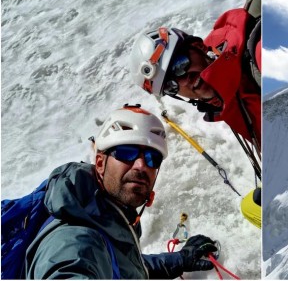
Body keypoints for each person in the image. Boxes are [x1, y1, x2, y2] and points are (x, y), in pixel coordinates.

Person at [25, 104, 218, 279]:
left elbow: (125, 268)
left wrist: (180, 260)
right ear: (100, 163)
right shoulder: (75, 242)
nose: (141, 165)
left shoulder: (105, 215)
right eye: (126, 153)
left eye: (152, 158)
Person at [130, 0, 262, 228]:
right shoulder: (228, 98)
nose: (184, 79)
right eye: (171, 84)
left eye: (179, 64)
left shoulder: (256, 54)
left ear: (198, 46)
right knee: (249, 208)